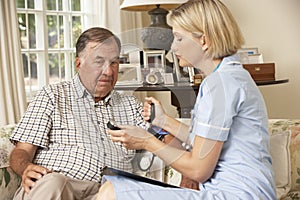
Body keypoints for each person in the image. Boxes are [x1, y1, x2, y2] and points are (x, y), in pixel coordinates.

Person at [97, 0, 277, 199]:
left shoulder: (220, 84)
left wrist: (146, 141)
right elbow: (206, 142)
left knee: (111, 192)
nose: (173, 47)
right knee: (111, 187)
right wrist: (163, 121)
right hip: (240, 193)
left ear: (204, 41)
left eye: (179, 38)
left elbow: (199, 170)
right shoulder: (228, 77)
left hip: (237, 195)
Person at [9, 27, 149, 199]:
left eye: (114, 62)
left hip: (103, 193)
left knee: (120, 192)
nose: (108, 71)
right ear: (79, 64)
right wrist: (25, 168)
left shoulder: (130, 105)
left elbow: (164, 139)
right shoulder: (53, 96)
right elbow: (22, 151)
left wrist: (188, 174)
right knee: (54, 183)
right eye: (99, 61)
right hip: (56, 187)